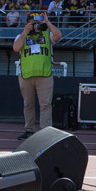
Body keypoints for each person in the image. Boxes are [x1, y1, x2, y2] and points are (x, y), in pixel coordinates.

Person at [13, 11, 62, 139]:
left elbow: (58, 35)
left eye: (37, 22)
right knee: (28, 104)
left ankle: (45, 133)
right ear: (26, 23)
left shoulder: (47, 34)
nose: (35, 25)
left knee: (45, 104)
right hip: (26, 75)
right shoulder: (21, 35)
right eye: (32, 22)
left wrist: (46, 22)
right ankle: (29, 131)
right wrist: (25, 32)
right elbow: (16, 48)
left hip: (44, 75)